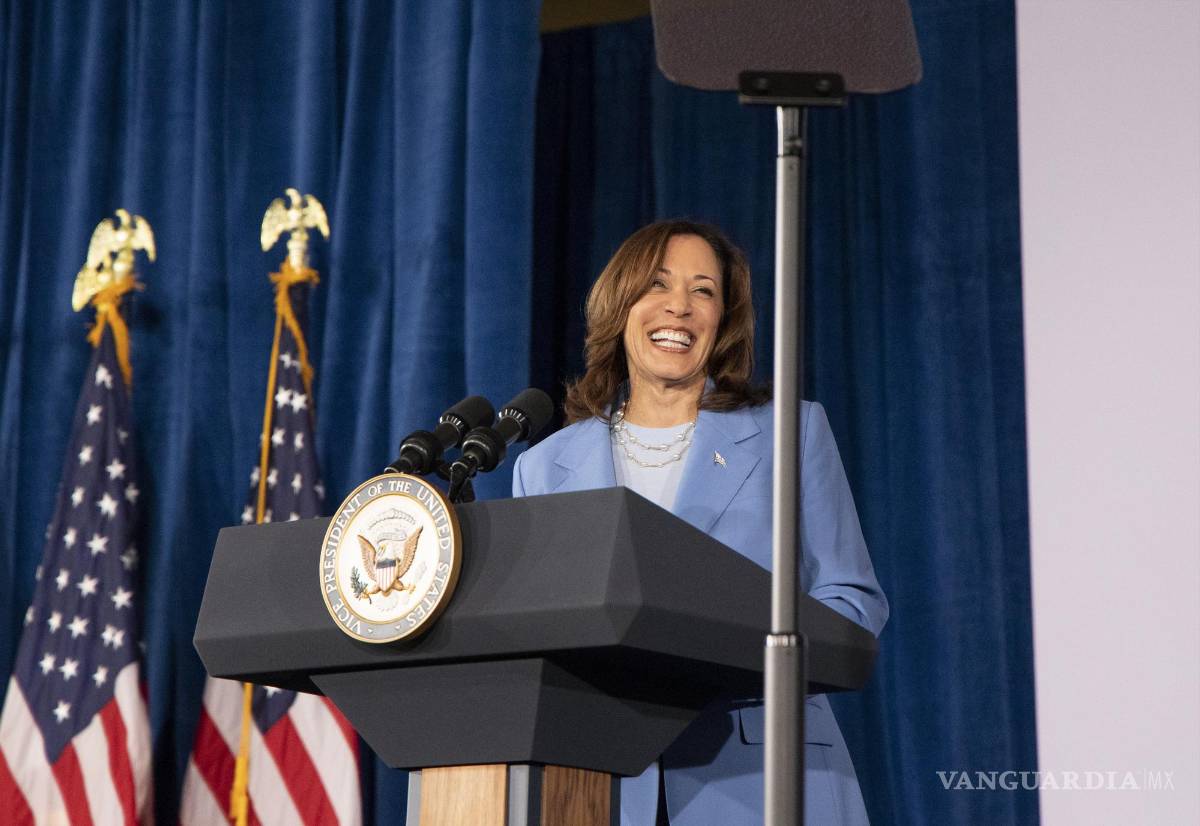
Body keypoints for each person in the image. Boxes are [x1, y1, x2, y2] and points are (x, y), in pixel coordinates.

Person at [511, 219, 888, 826]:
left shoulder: (791, 432)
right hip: (599, 785)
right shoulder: (545, 465)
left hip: (760, 771)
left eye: (704, 290)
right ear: (620, 305)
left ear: (723, 318)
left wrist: (723, 651)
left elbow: (851, 602)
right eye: (657, 285)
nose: (680, 307)